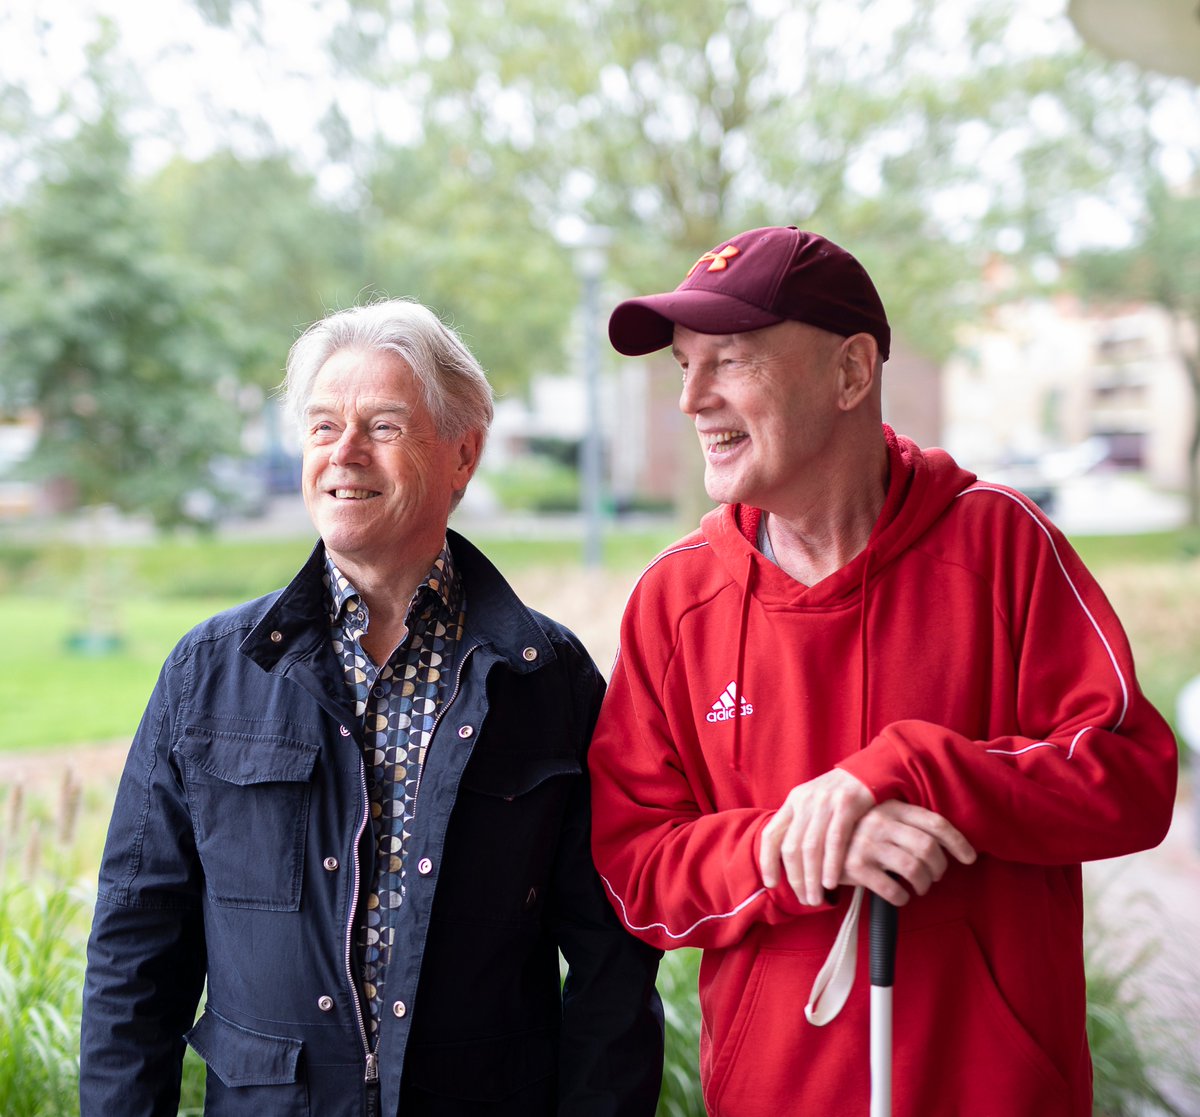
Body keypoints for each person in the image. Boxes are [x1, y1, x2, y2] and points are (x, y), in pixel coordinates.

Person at [587, 225, 1178, 1116]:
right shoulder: (675, 600)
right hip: (773, 1096)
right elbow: (636, 867)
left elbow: (1130, 778)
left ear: (852, 372)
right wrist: (792, 849)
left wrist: (921, 770)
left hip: (996, 1094)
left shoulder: (1002, 545)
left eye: (732, 360)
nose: (692, 400)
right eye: (683, 365)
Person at [80, 298, 664, 1117]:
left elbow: (612, 959)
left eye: (383, 427)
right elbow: (134, 951)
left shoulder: (547, 675)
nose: (343, 453)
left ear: (463, 454)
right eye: (322, 427)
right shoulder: (205, 674)